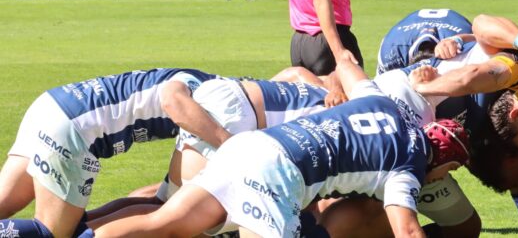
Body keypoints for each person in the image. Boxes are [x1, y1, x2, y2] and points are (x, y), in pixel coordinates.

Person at [90, 81, 470, 237]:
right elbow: (405, 230)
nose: (439, 180)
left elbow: (350, 72)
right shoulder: (409, 165)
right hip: (277, 176)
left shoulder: (382, 102)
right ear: (442, 161)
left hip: (249, 146)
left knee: (164, 222)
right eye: (447, 172)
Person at [0, 68, 227, 237]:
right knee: (52, 233)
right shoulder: (214, 93)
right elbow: (172, 101)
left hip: (52, 106)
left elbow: (168, 192)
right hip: (74, 128)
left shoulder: (215, 89)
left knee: (4, 203)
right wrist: (232, 145)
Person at [377, 9, 474, 74]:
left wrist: (460, 39)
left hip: (455, 25)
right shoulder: (390, 52)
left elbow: (484, 38)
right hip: (405, 32)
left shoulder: (462, 50)